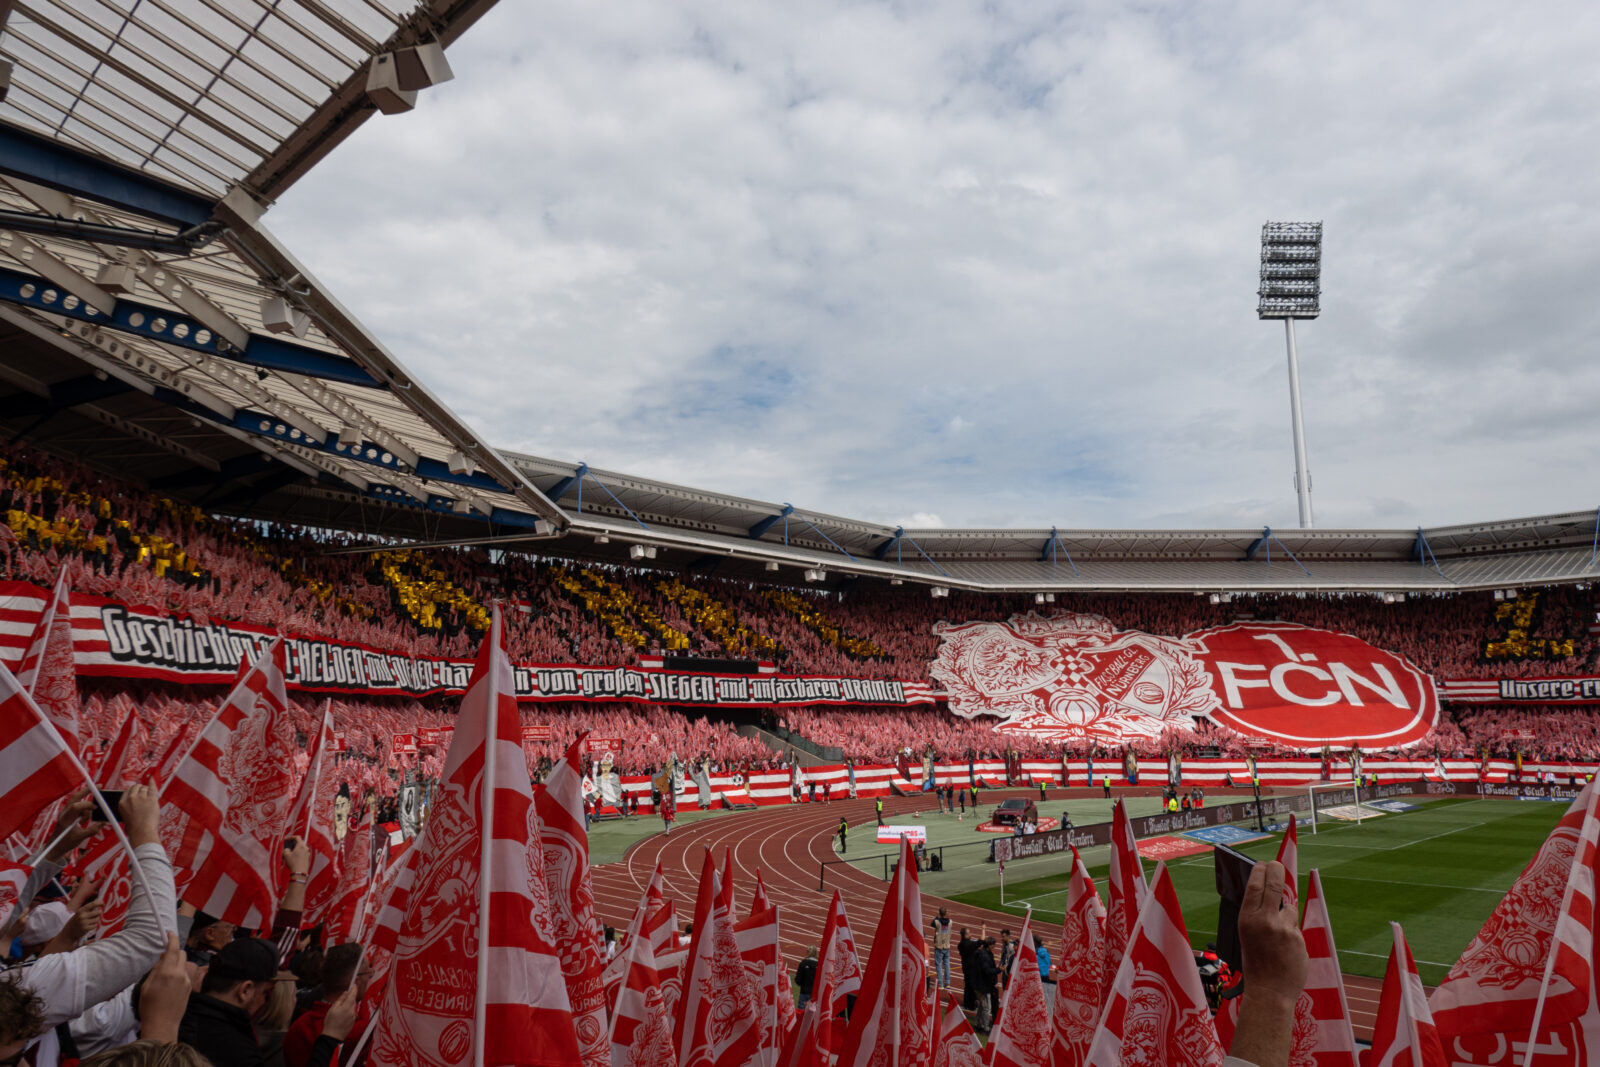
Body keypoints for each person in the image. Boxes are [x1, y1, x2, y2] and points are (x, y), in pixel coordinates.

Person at [973, 938, 999, 1033]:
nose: (994, 947)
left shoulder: (985, 954)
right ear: (989, 945)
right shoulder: (985, 956)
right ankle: (985, 1027)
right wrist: (998, 970)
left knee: (982, 1006)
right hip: (982, 985)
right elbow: (987, 970)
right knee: (986, 1007)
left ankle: (978, 1024)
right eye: (993, 945)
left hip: (981, 984)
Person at [929, 908, 953, 989]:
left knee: (938, 965)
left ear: (939, 913)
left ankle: (940, 984)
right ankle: (948, 982)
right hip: (946, 945)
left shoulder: (937, 922)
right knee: (947, 964)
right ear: (946, 913)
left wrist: (937, 917)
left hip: (939, 946)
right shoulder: (950, 922)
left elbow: (932, 924)